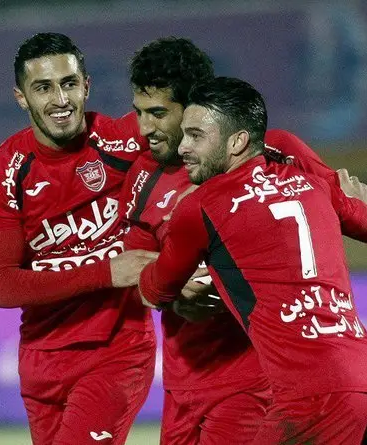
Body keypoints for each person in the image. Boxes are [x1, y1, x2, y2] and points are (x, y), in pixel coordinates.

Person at [139, 77, 367, 444]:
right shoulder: (313, 184)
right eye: (184, 134)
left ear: (237, 141)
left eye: (196, 136)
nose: (183, 146)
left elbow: (156, 289)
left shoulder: (200, 206)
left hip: (313, 394)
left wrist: (156, 262)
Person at [0, 33, 159, 445]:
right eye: (43, 88)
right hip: (42, 361)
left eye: (69, 83)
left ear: (86, 86)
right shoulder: (5, 172)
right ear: (21, 98)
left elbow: (208, 130)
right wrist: (107, 272)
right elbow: (2, 285)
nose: (60, 100)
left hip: (118, 350)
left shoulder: (122, 140)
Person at [121, 38, 271, 445]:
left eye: (157, 113)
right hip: (181, 387)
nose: (144, 128)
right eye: (139, 112)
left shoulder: (247, 161)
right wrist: (171, 293)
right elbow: (134, 273)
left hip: (250, 379)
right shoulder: (142, 177)